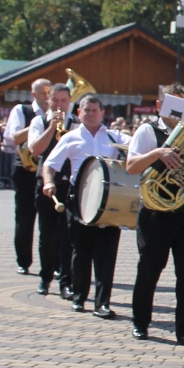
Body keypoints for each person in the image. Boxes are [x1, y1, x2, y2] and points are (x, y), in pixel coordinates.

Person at [125, 85, 184, 347]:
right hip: (155, 214)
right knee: (149, 271)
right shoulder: (148, 131)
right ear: (159, 106)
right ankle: (140, 323)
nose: (178, 110)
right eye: (172, 104)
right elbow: (131, 166)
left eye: (183, 104)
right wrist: (158, 153)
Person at [41, 95, 131, 317]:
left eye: (94, 110)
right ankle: (79, 297)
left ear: (102, 113)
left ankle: (102, 303)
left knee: (106, 254)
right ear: (79, 113)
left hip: (109, 201)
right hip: (80, 199)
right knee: (80, 252)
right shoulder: (71, 137)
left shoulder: (115, 137)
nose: (90, 114)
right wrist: (49, 181)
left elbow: (138, 148)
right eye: (86, 110)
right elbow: (49, 164)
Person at [26, 84, 76, 298]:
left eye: (63, 101)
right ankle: (45, 277)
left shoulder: (76, 123)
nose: (59, 105)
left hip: (69, 184)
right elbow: (35, 149)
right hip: (46, 184)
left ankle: (66, 282)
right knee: (46, 236)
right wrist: (52, 127)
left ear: (69, 101)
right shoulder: (39, 121)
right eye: (55, 100)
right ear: (48, 100)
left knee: (67, 237)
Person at [5, 78, 51, 274]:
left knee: (50, 221)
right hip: (25, 170)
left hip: (47, 171)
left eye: (49, 93)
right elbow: (14, 137)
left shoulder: (57, 114)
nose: (46, 97)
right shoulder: (21, 111)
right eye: (42, 93)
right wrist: (37, 124)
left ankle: (52, 265)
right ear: (33, 94)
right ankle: (23, 261)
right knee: (25, 218)